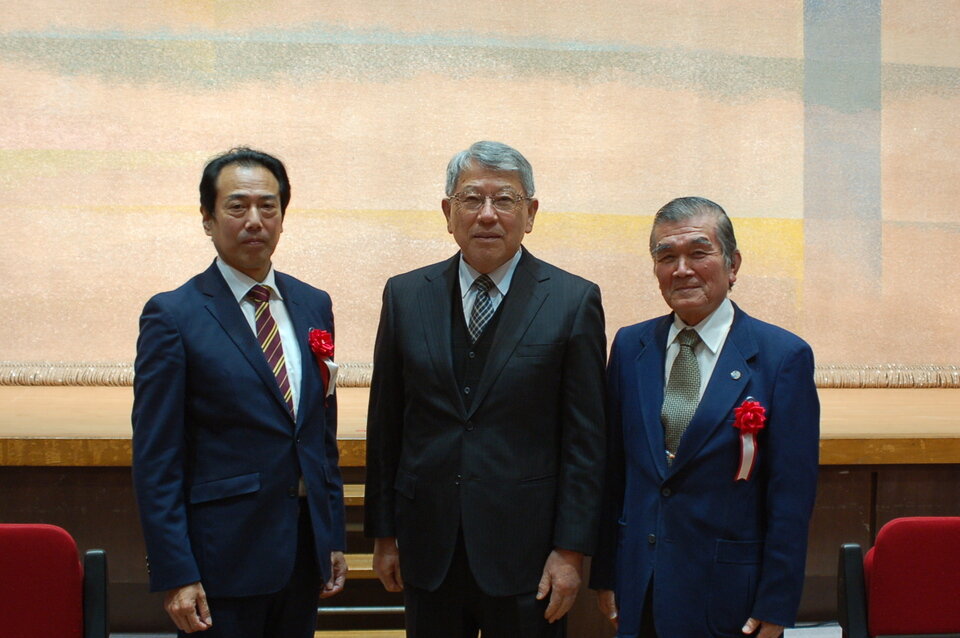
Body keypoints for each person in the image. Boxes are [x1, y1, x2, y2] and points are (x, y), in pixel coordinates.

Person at [364, 140, 606, 638]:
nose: (488, 214)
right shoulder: (405, 296)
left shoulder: (572, 301)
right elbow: (386, 424)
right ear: (448, 212)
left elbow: (586, 442)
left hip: (528, 556)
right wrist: (384, 533)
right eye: (472, 199)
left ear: (530, 213)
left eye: (505, 200)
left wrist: (570, 551)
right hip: (428, 549)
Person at [132, 147, 347, 637]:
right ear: (208, 219)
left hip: (302, 555)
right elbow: (156, 458)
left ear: (282, 217)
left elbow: (320, 434)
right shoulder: (174, 315)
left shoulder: (313, 304)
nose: (254, 220)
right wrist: (176, 571)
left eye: (267, 206)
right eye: (237, 206)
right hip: (220, 563)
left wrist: (331, 534)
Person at [591, 197, 819, 638]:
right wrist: (607, 574)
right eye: (666, 257)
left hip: (730, 597)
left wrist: (776, 601)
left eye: (699, 253)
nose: (682, 269)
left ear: (732, 265)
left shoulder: (782, 357)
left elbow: (791, 496)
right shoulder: (631, 346)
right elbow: (614, 472)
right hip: (641, 589)